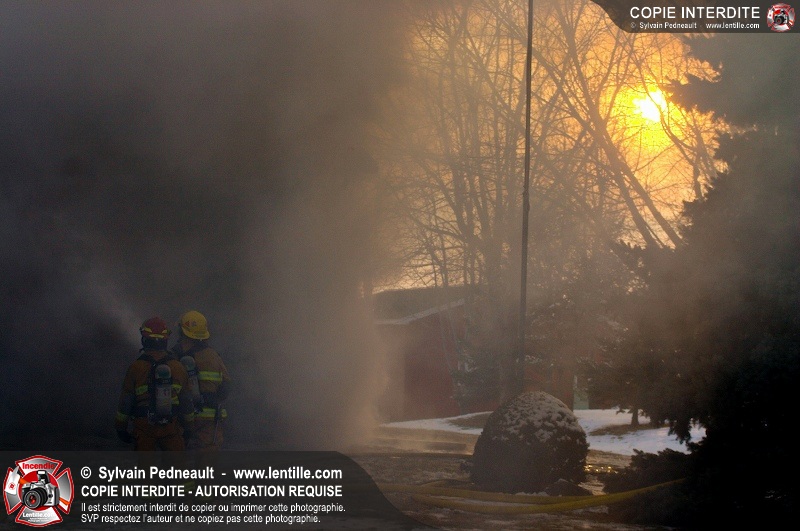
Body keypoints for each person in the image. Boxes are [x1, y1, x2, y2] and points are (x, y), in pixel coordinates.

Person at [115, 317, 195, 451]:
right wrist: (189, 428)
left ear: (144, 340)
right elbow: (186, 401)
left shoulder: (136, 367)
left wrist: (120, 427)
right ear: (165, 340)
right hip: (171, 427)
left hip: (144, 427)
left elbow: (126, 401)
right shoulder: (178, 367)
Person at [172, 310, 230, 451]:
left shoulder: (175, 355)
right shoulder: (214, 356)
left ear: (182, 331)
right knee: (207, 459)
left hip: (183, 417)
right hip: (210, 419)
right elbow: (226, 387)